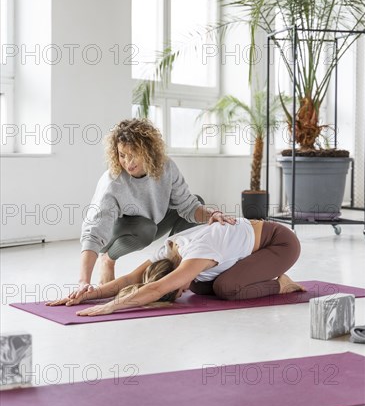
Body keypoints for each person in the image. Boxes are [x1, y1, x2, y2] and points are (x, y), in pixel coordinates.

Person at [76, 118, 235, 298]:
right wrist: (84, 281)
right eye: (122, 155)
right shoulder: (113, 182)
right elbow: (93, 232)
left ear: (148, 150)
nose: (128, 162)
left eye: (134, 153)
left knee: (197, 200)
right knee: (146, 228)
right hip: (121, 230)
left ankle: (174, 265)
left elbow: (189, 206)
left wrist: (212, 214)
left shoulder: (165, 167)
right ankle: (108, 259)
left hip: (153, 222)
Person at [47, 218, 305, 315]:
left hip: (278, 243)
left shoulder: (197, 254)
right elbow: (130, 279)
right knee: (202, 287)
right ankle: (259, 270)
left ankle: (281, 282)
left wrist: (112, 307)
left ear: (175, 272)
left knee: (227, 288)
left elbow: (158, 288)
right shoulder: (167, 253)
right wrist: (87, 294)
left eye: (177, 288)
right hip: (246, 248)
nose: (182, 292)